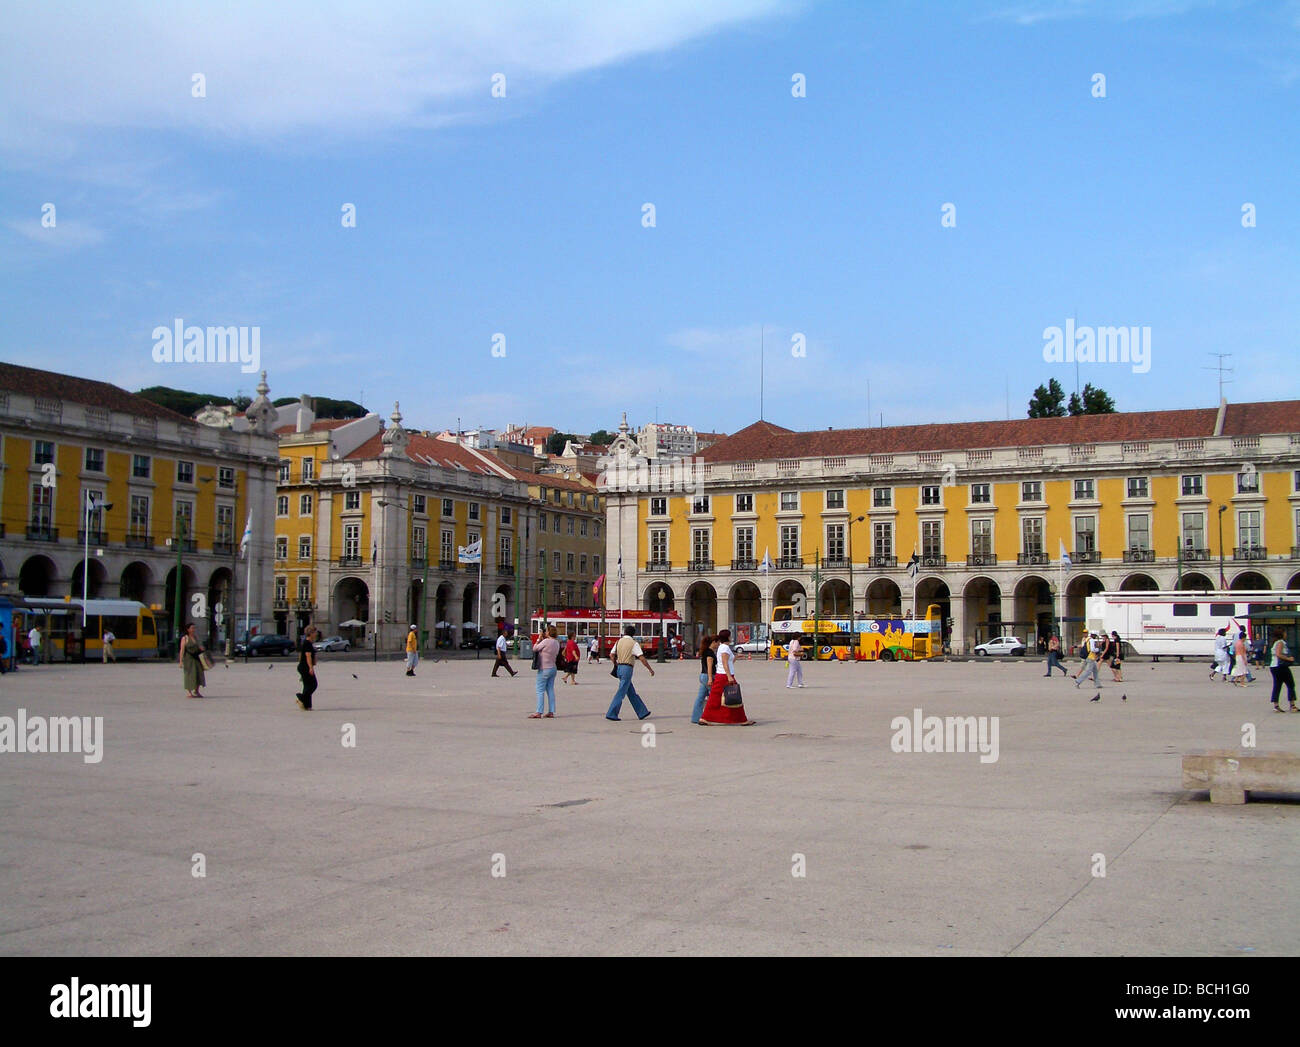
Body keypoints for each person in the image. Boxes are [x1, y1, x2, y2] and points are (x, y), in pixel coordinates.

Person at [699, 628, 754, 725]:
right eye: (730, 635)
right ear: (727, 637)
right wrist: (729, 676)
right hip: (724, 676)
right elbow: (725, 664)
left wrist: (736, 657)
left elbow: (729, 662)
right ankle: (742, 719)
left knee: (715, 697)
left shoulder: (723, 647)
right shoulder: (724, 648)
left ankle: (705, 717)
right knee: (734, 696)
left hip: (722, 675)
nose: (731, 637)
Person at [606, 625, 655, 721]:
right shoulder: (633, 643)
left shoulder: (618, 642)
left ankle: (642, 711)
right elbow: (641, 657)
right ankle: (611, 713)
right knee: (621, 692)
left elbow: (611, 655)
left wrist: (615, 664)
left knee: (631, 691)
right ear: (633, 634)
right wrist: (650, 669)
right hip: (627, 668)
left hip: (619, 667)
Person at [530, 625, 560, 718]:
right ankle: (551, 711)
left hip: (544, 668)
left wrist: (539, 639)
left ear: (548, 632)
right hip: (553, 668)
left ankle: (539, 711)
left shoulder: (546, 641)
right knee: (550, 689)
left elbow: (535, 648)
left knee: (540, 690)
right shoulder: (556, 642)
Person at [1268, 627, 1296, 713]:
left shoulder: (1275, 642)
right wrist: (1288, 659)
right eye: (1285, 633)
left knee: (1277, 685)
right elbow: (1278, 654)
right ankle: (1292, 705)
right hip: (1280, 666)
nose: (1286, 634)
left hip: (1274, 666)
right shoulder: (1280, 643)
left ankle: (1276, 705)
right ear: (1282, 634)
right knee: (1290, 684)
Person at [692, 635, 718, 724]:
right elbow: (709, 666)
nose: (718, 645)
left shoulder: (705, 651)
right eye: (717, 643)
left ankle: (696, 717)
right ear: (714, 642)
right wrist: (710, 678)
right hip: (708, 676)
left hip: (703, 675)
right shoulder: (710, 653)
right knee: (715, 696)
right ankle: (712, 716)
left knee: (700, 697)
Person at [179, 622, 206, 698]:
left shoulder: (195, 637)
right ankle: (190, 692)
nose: (194, 629)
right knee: (190, 675)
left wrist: (201, 648)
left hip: (197, 658)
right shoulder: (185, 638)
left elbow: (198, 646)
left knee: (198, 673)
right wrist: (181, 661)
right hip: (189, 659)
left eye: (194, 628)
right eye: (192, 628)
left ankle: (197, 691)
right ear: (188, 629)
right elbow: (182, 650)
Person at [296, 626, 318, 710]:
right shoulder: (307, 643)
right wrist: (310, 668)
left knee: (307, 686)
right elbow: (308, 656)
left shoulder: (308, 643)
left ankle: (307, 706)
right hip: (305, 667)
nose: (316, 634)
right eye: (315, 632)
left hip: (303, 667)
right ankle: (301, 698)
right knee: (313, 685)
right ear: (311, 633)